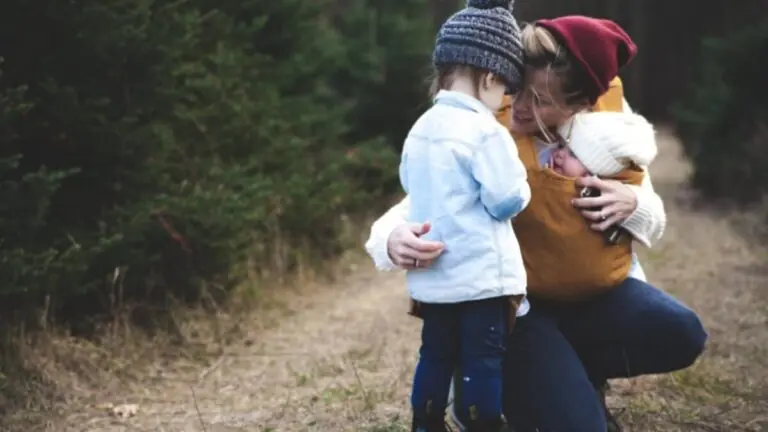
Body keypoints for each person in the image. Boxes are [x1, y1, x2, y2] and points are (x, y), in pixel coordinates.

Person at [365, 15, 708, 432]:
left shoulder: (607, 125)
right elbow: (422, 197)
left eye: (542, 101)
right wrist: (389, 238)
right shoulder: (484, 123)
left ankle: (568, 373)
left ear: (581, 104)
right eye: (519, 90)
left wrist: (633, 203)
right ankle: (493, 376)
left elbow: (651, 216)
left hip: (594, 298)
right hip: (517, 310)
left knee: (682, 333)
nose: (521, 108)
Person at [400, 1, 528, 430]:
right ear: (490, 77)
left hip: (435, 277)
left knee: (434, 353)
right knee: (482, 360)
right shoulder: (486, 130)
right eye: (505, 88)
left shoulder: (421, 128)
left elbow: (410, 184)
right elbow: (505, 199)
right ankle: (484, 422)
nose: (505, 100)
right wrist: (522, 185)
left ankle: (425, 420)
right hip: (481, 279)